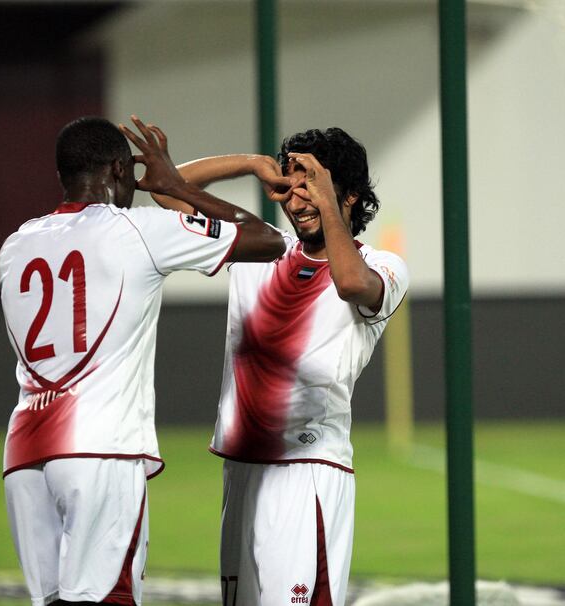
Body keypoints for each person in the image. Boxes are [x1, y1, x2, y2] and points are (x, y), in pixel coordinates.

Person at [0, 115, 287, 606]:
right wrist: (174, 183)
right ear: (117, 169)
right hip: (98, 447)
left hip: (24, 454)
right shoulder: (138, 229)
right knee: (107, 597)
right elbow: (266, 240)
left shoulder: (16, 244)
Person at [151, 127, 409, 605]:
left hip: (307, 470)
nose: (296, 201)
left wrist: (326, 199)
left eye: (309, 186)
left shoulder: (383, 265)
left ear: (348, 195)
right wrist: (251, 163)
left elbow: (352, 284)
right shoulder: (261, 248)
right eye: (289, 189)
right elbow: (166, 187)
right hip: (242, 469)